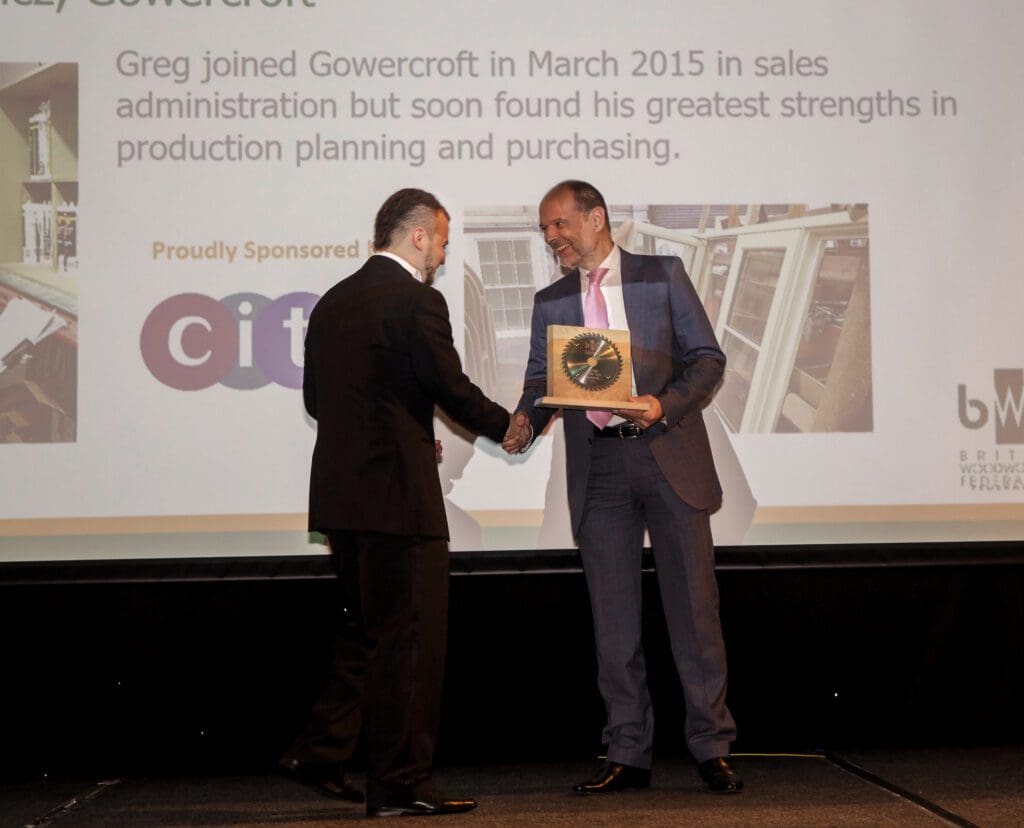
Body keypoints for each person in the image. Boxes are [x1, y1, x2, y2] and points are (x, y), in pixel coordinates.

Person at [503, 180, 742, 794]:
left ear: (596, 218)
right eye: (545, 229)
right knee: (614, 623)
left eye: (559, 224)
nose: (552, 237)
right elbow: (539, 381)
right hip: (599, 469)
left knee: (694, 613)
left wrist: (660, 405)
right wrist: (524, 423)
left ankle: (711, 747)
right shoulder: (551, 300)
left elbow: (707, 360)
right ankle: (626, 752)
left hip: (668, 455)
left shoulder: (661, 275)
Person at [281, 188, 513, 818]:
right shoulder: (417, 300)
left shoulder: (332, 301)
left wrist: (403, 430)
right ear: (416, 236)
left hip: (342, 500)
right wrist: (508, 426)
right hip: (398, 502)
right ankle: (400, 784)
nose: (441, 251)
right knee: (408, 642)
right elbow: (448, 385)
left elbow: (317, 400)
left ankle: (320, 753)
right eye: (439, 238)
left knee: (368, 632)